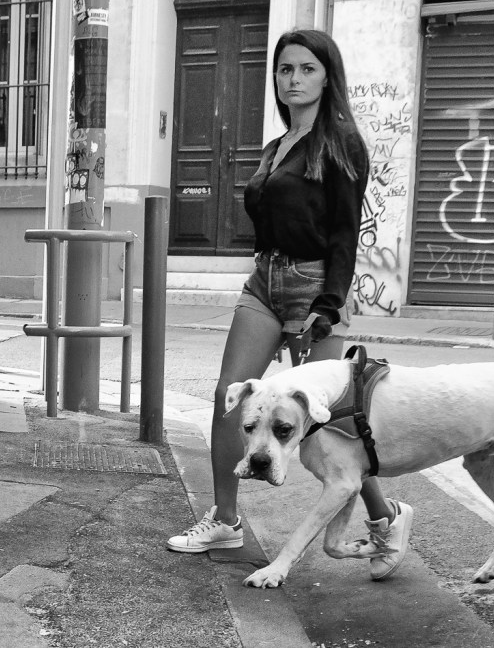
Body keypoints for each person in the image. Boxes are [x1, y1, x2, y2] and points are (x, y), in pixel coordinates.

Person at [165, 29, 413, 581]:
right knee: (229, 396)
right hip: (265, 281)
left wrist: (329, 304)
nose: (293, 79)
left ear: (327, 77)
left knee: (331, 421)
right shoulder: (278, 145)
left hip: (314, 286)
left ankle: (386, 517)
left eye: (306, 68)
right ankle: (225, 519)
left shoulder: (341, 143)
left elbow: (345, 233)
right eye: (285, 69)